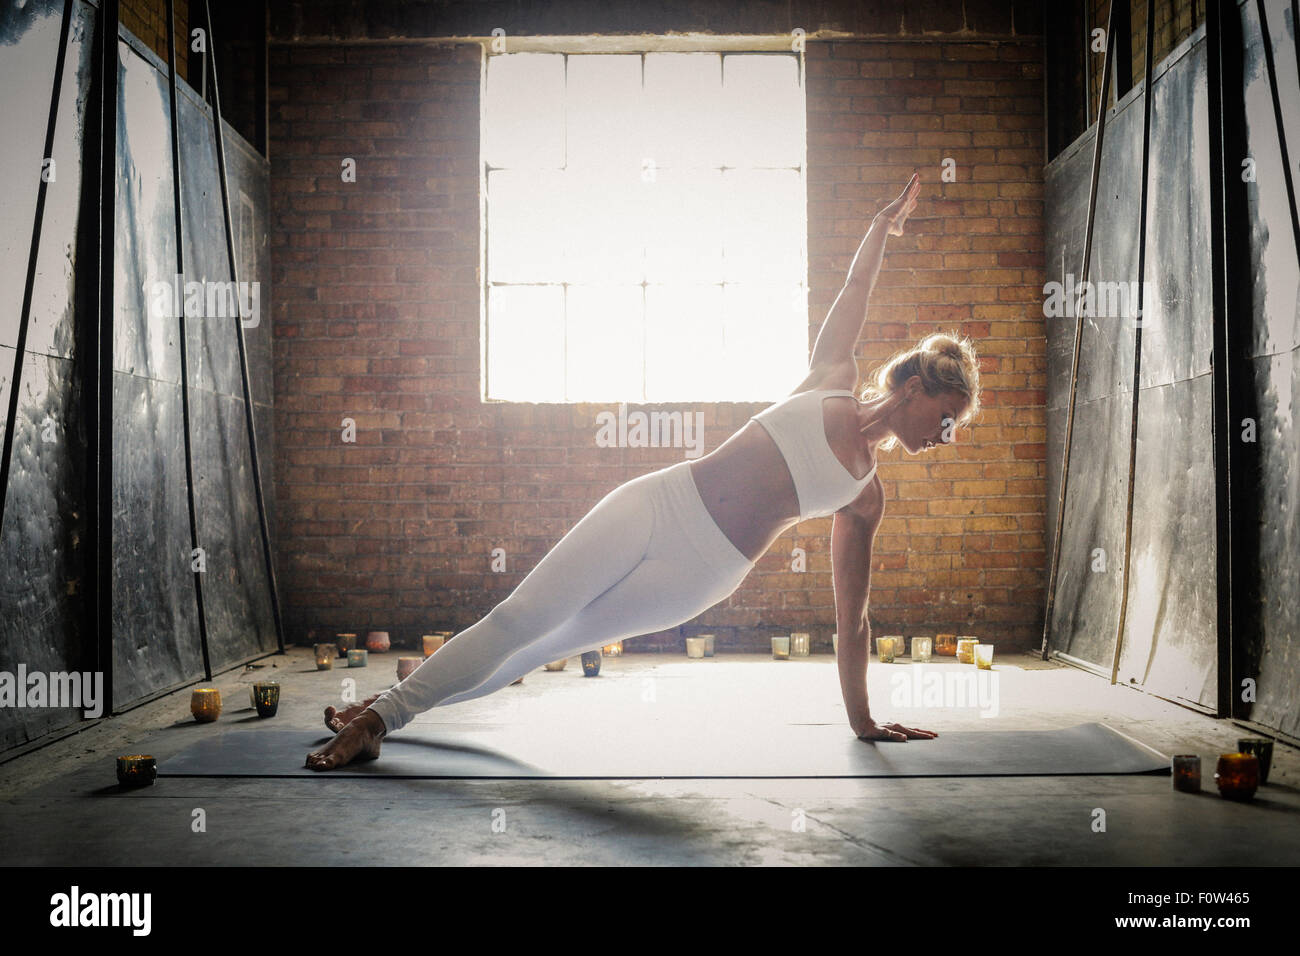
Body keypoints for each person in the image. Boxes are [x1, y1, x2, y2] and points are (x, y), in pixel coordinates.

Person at [306, 172, 981, 771]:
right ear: (917, 389)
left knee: (541, 648)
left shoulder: (865, 498)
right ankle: (378, 718)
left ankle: (387, 710)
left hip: (700, 574)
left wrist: (862, 721)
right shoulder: (832, 377)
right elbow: (856, 286)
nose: (943, 438)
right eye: (946, 418)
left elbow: (852, 616)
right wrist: (879, 225)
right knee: (520, 617)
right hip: (660, 501)